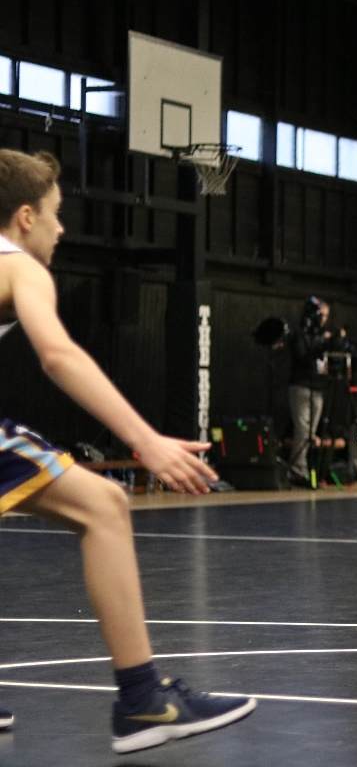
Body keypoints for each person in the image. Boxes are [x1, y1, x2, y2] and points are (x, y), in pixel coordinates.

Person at [0, 149, 255, 752]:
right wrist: (146, 440)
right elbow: (58, 355)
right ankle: (144, 701)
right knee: (105, 506)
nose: (62, 229)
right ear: (27, 217)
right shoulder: (20, 266)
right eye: (56, 214)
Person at [286, 296, 345, 486]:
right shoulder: (299, 334)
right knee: (303, 430)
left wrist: (334, 341)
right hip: (301, 386)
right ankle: (298, 469)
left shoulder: (321, 335)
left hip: (318, 387)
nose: (324, 320)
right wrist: (321, 342)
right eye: (322, 315)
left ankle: (310, 468)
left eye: (327, 316)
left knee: (311, 432)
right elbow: (303, 356)